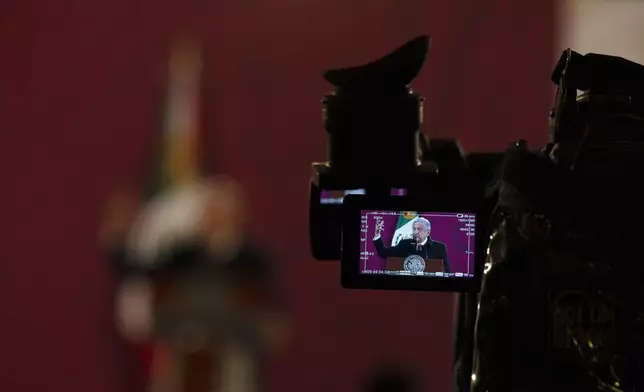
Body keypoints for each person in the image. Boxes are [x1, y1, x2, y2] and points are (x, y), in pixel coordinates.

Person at [373, 217, 451, 273]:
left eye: (419, 229)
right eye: (414, 229)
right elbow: (383, 252)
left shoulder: (439, 248)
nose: (416, 232)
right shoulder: (404, 244)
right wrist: (377, 235)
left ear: (428, 232)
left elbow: (447, 272)